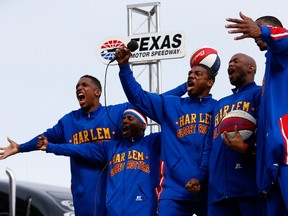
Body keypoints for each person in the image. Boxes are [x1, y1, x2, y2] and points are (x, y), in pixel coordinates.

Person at [0, 75, 186, 216]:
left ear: (98, 92)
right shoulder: (69, 121)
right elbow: (45, 139)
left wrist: (186, 88)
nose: (79, 88)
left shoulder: (116, 113)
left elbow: (154, 101)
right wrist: (21, 147)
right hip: (84, 195)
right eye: (77, 86)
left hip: (115, 196)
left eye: (84, 85)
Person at [115, 47, 220, 216]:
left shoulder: (217, 107)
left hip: (208, 189)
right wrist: (124, 67)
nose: (191, 76)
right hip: (173, 191)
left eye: (198, 74)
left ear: (210, 82)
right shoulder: (170, 105)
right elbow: (138, 97)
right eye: (189, 74)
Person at [37, 108, 161, 216]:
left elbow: (172, 125)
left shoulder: (152, 142)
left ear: (143, 125)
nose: (125, 121)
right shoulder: (111, 147)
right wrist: (51, 147)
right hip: (114, 212)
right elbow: (79, 149)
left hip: (143, 211)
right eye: (123, 119)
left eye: (130, 118)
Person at [226, 12, 288, 215]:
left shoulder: (281, 55)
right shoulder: (269, 68)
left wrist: (262, 31)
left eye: (256, 28)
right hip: (270, 166)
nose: (253, 37)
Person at [186, 53, 263, 215]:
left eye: (236, 61)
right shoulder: (220, 103)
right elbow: (209, 148)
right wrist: (199, 178)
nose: (230, 65)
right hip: (218, 192)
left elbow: (268, 135)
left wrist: (246, 147)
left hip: (249, 188)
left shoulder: (259, 94)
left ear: (251, 68)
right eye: (229, 62)